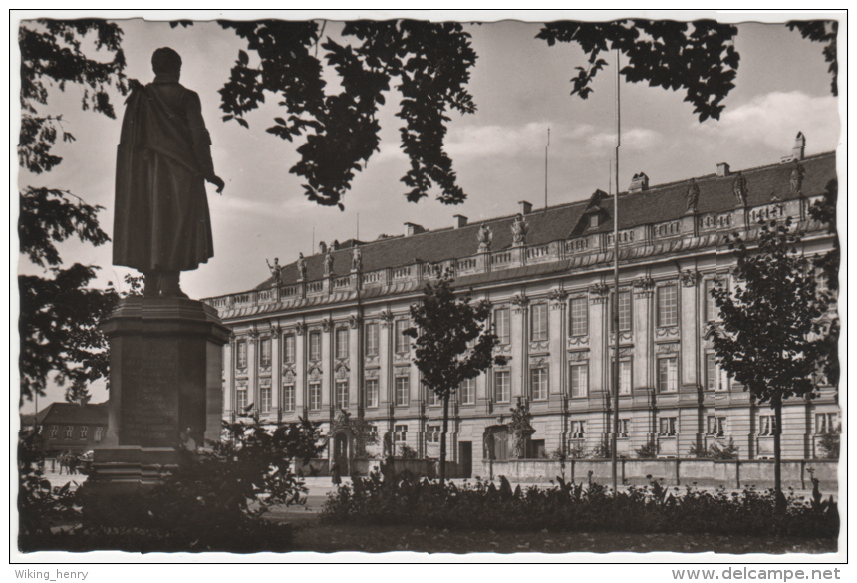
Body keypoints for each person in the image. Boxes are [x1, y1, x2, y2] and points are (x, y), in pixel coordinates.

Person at [114, 47, 225, 298]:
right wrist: (209, 172)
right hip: (181, 173)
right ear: (178, 68)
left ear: (155, 69)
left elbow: (129, 144)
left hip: (146, 176)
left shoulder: (139, 98)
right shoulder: (186, 97)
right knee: (177, 226)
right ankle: (171, 284)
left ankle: (151, 286)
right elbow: (199, 137)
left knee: (150, 225)